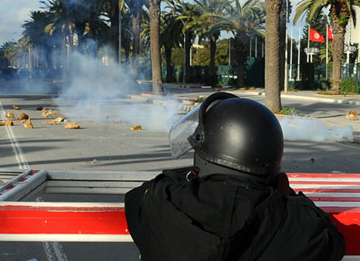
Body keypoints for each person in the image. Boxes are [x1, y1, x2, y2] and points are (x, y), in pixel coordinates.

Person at [125, 92, 345, 261]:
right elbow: (330, 239)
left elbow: (147, 191)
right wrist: (286, 196)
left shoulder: (157, 204)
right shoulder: (297, 227)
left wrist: (193, 177)